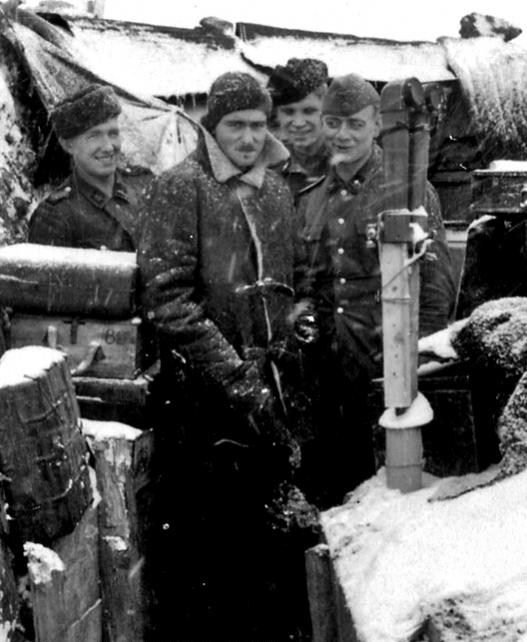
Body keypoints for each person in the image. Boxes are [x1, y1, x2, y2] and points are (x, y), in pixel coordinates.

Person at [137, 71, 317, 642]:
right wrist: (236, 378)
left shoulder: (276, 190)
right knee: (208, 553)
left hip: (271, 395)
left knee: (265, 551)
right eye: (236, 125)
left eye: (258, 125)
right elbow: (169, 301)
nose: (249, 137)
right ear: (212, 127)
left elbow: (296, 277)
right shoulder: (180, 187)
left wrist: (298, 319)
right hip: (202, 405)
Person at [295, 73, 456, 507]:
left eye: (355, 124)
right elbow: (309, 281)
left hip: (388, 371)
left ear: (376, 125)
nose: (342, 135)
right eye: (333, 123)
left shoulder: (406, 186)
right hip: (331, 378)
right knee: (337, 495)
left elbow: (435, 285)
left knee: (392, 496)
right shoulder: (313, 199)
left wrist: (417, 365)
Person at [28, 83, 151, 251]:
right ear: (68, 145)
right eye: (94, 136)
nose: (108, 147)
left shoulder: (144, 185)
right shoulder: (56, 215)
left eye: (113, 133)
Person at [267, 57, 330, 197]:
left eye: (309, 111)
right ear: (277, 115)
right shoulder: (270, 165)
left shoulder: (350, 162)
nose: (298, 123)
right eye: (289, 112)